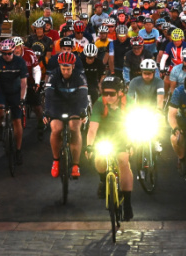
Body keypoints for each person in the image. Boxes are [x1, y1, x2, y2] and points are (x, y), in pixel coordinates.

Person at [87, 76, 135, 221]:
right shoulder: (100, 104)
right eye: (105, 93)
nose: (108, 97)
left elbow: (134, 125)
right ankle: (103, 180)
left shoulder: (129, 103)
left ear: (120, 92)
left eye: (111, 94)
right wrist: (89, 146)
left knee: (123, 161)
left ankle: (127, 202)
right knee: (100, 158)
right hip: (105, 134)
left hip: (123, 134)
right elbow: (92, 129)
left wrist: (132, 143)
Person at [45, 52, 89, 179]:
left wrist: (82, 110)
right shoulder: (53, 75)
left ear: (73, 66)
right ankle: (56, 160)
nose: (65, 71)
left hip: (75, 104)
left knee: (74, 128)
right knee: (56, 129)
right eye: (63, 68)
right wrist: (46, 111)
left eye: (68, 69)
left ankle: (76, 165)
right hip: (57, 104)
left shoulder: (80, 76)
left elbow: (83, 96)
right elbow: (48, 95)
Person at [0, 39, 28, 165]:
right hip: (1, 89)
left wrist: (22, 99)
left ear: (13, 51)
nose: (7, 56)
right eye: (4, 54)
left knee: (17, 121)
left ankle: (18, 149)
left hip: (16, 90)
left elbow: (24, 83)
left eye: (9, 53)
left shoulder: (20, 62)